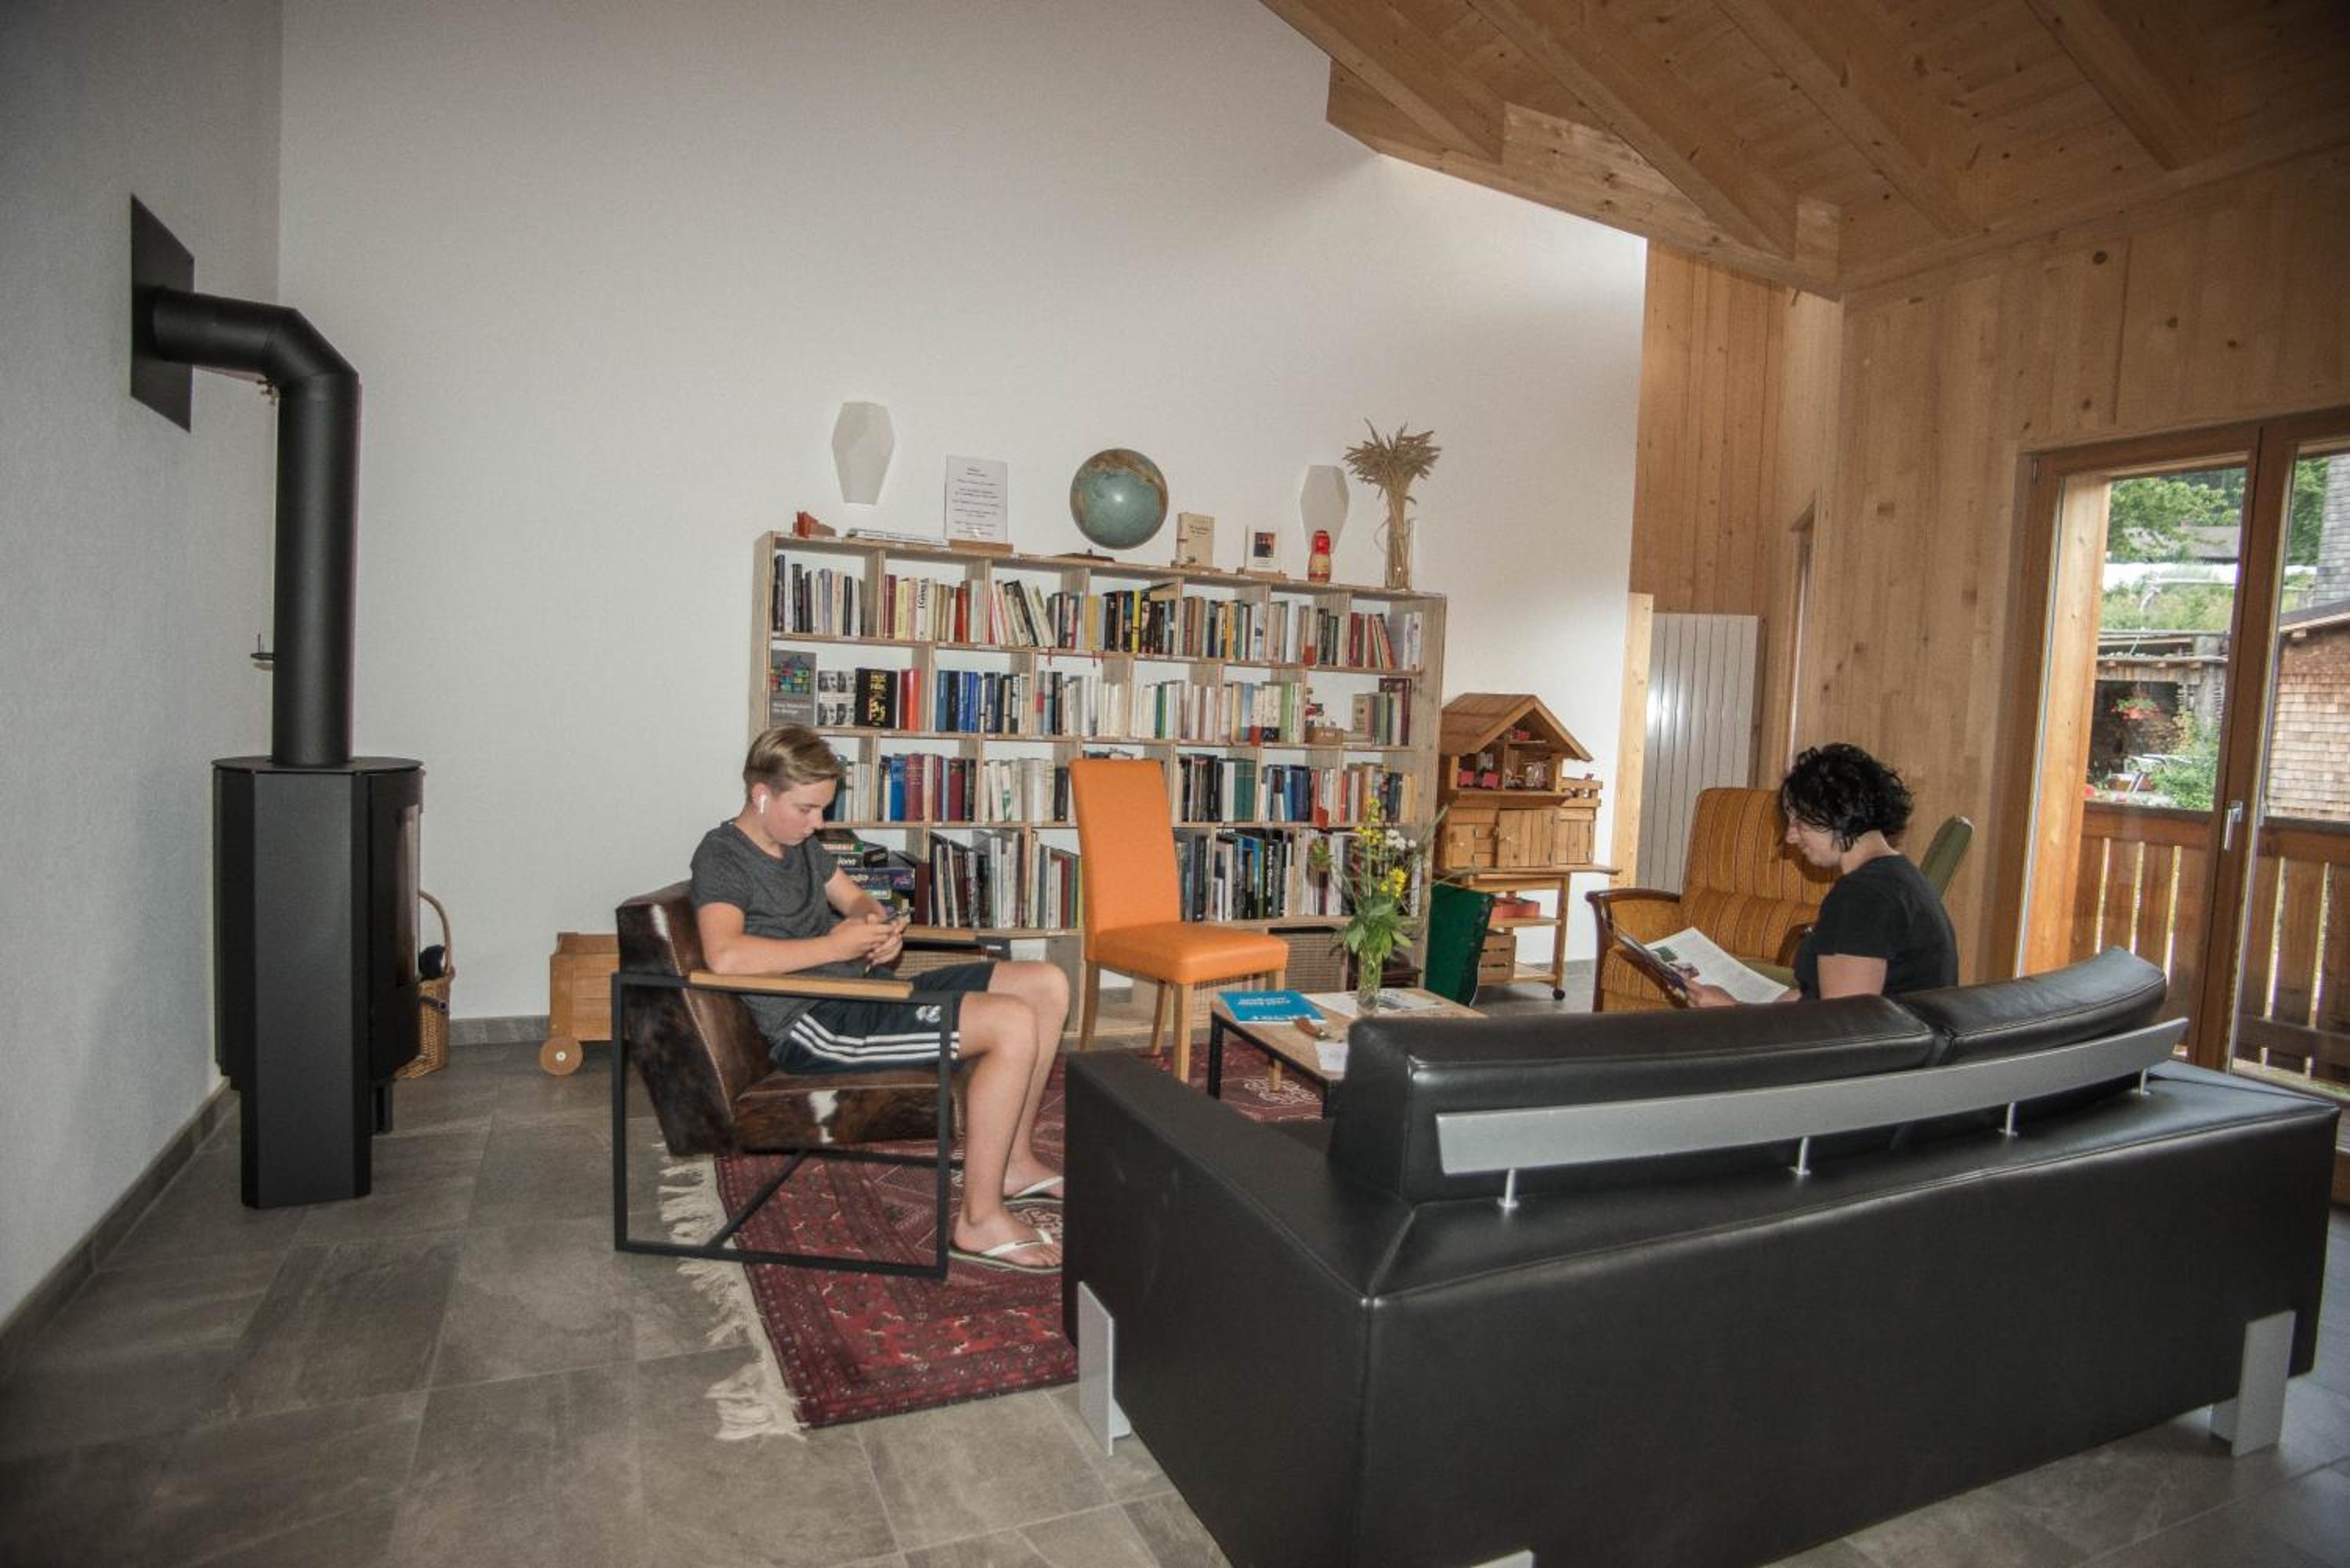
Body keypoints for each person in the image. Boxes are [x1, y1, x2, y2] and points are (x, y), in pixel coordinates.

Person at [690, 725, 1068, 1274]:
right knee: (1009, 1023)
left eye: (823, 809)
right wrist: (835, 946)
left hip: (860, 993)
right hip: (815, 1023)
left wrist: (876, 929)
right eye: (807, 809)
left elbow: (858, 900)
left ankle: (1014, 1161)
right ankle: (979, 1219)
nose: (818, 823)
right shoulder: (723, 856)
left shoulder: (801, 846)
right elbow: (724, 956)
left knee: (1045, 984)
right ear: (761, 794)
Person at [1687, 743, 1957, 1006]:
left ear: (1838, 816)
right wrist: (1751, 1006)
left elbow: (1843, 1023)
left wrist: (1731, 1012)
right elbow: (1825, 999)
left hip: (1871, 1038)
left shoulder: (1861, 897)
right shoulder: (1901, 876)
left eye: (1799, 822)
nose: (1791, 837)